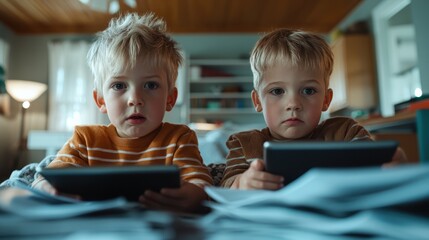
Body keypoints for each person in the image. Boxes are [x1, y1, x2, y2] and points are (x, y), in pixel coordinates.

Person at [32, 12, 213, 213]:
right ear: (101, 100)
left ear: (170, 98)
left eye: (151, 85)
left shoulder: (179, 138)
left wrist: (192, 195)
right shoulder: (85, 139)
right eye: (119, 85)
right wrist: (45, 188)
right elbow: (48, 177)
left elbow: (199, 181)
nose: (135, 99)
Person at [220, 28, 407, 190]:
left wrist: (391, 166)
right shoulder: (245, 144)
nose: (293, 103)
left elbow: (374, 171)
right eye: (277, 91)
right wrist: (243, 182)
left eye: (308, 90)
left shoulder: (345, 133)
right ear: (257, 100)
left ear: (326, 99)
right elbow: (226, 185)